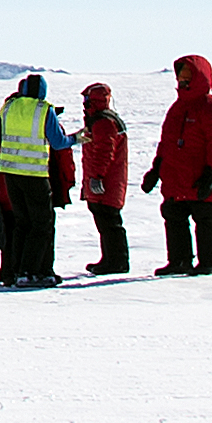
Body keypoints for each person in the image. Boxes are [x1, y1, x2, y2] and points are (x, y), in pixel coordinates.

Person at [0, 72, 73, 286]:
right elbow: (58, 144)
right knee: (42, 224)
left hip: (9, 179)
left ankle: (15, 272)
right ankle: (33, 271)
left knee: (20, 225)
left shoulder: (7, 111)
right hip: (35, 176)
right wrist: (75, 140)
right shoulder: (43, 111)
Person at [149, 52, 212, 276]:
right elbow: (166, 141)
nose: (182, 80)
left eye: (187, 75)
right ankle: (179, 261)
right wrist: (156, 168)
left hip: (200, 177)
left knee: (204, 218)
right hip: (176, 177)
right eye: (180, 75)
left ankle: (208, 261)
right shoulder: (177, 108)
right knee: (173, 215)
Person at [76, 79, 134, 276]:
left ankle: (117, 261)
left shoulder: (103, 122)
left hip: (107, 183)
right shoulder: (102, 120)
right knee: (105, 221)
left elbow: (104, 151)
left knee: (109, 221)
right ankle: (110, 259)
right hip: (105, 181)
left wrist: (97, 177)